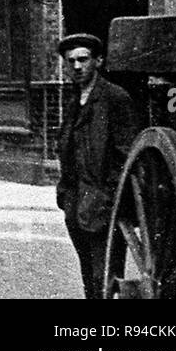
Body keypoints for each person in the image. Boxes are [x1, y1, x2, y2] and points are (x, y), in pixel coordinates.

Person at [56, 33, 136, 299]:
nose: (77, 67)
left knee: (105, 282)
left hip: (105, 207)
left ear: (98, 61)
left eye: (83, 60)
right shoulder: (72, 102)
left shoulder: (115, 98)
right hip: (76, 204)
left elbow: (125, 154)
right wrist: (65, 193)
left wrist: (111, 197)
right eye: (71, 62)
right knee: (90, 282)